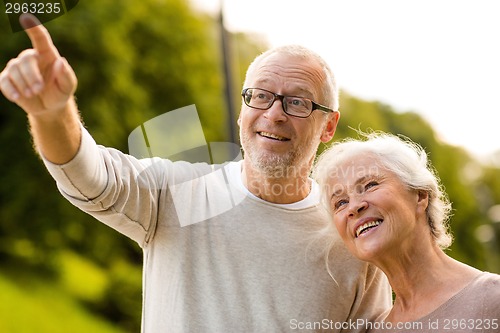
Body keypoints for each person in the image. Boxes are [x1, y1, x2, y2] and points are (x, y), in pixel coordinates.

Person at [0, 14, 392, 332]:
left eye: (297, 102)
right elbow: (87, 173)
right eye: (260, 95)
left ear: (328, 126)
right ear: (243, 109)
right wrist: (52, 112)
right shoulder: (178, 193)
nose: (274, 114)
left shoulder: (355, 239)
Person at [313, 132, 500, 333]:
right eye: (340, 202)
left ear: (420, 195)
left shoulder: (493, 299)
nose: (354, 207)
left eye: (370, 185)